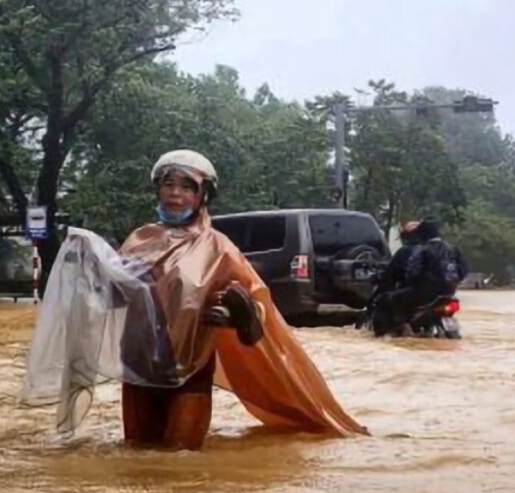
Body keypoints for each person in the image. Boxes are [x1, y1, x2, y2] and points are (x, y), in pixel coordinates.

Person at [23, 150, 366, 448]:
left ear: (203, 196)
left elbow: (259, 309)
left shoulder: (219, 247)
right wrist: (87, 270)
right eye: (168, 185)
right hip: (139, 367)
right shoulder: (140, 239)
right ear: (157, 189)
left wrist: (236, 313)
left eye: (187, 187)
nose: (175, 194)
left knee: (181, 459)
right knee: (139, 461)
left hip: (190, 369)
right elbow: (115, 299)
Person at [371, 216, 467, 336]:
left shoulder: (423, 250)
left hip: (423, 294)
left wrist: (416, 283)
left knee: (385, 300)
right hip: (449, 293)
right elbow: (463, 271)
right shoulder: (453, 249)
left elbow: (412, 273)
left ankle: (398, 330)